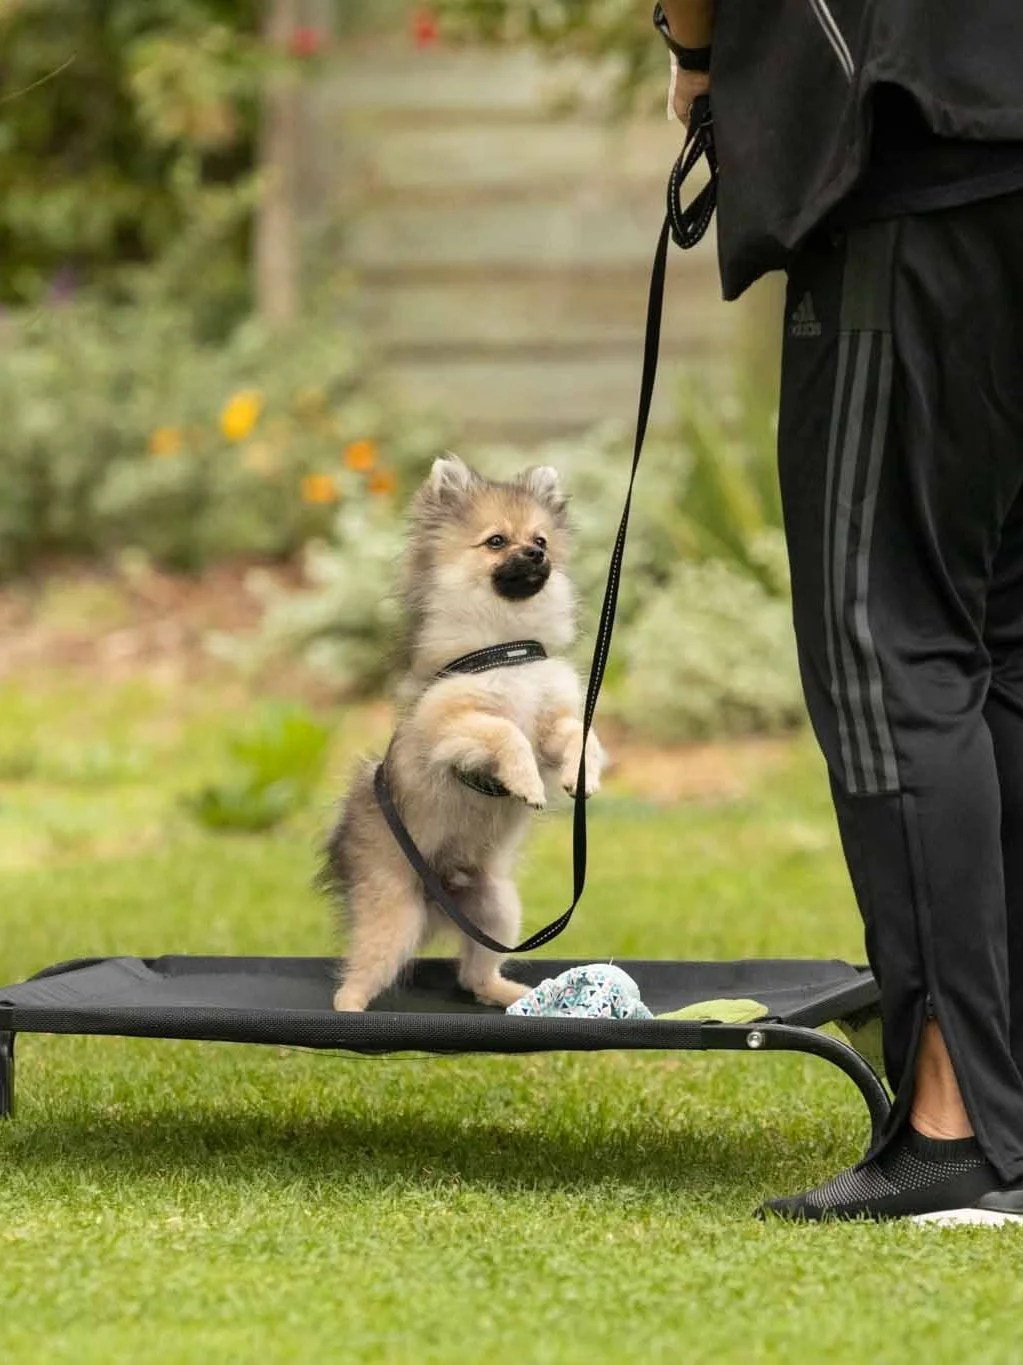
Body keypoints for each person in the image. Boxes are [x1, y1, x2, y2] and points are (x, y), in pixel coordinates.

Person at [653, 0, 1023, 1223]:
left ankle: (955, 1127)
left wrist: (696, 56)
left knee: (889, 642)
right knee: (1006, 648)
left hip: (916, 169)